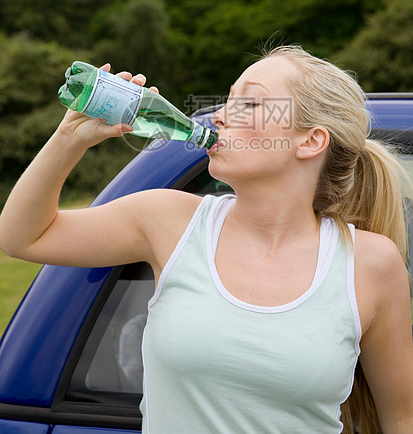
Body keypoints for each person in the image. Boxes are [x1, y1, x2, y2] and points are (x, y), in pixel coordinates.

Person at [0, 45, 412, 433]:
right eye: (227, 101)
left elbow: (401, 420)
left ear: (310, 141)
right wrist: (69, 139)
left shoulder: (370, 264)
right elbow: (23, 237)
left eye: (248, 104)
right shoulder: (168, 221)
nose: (218, 116)